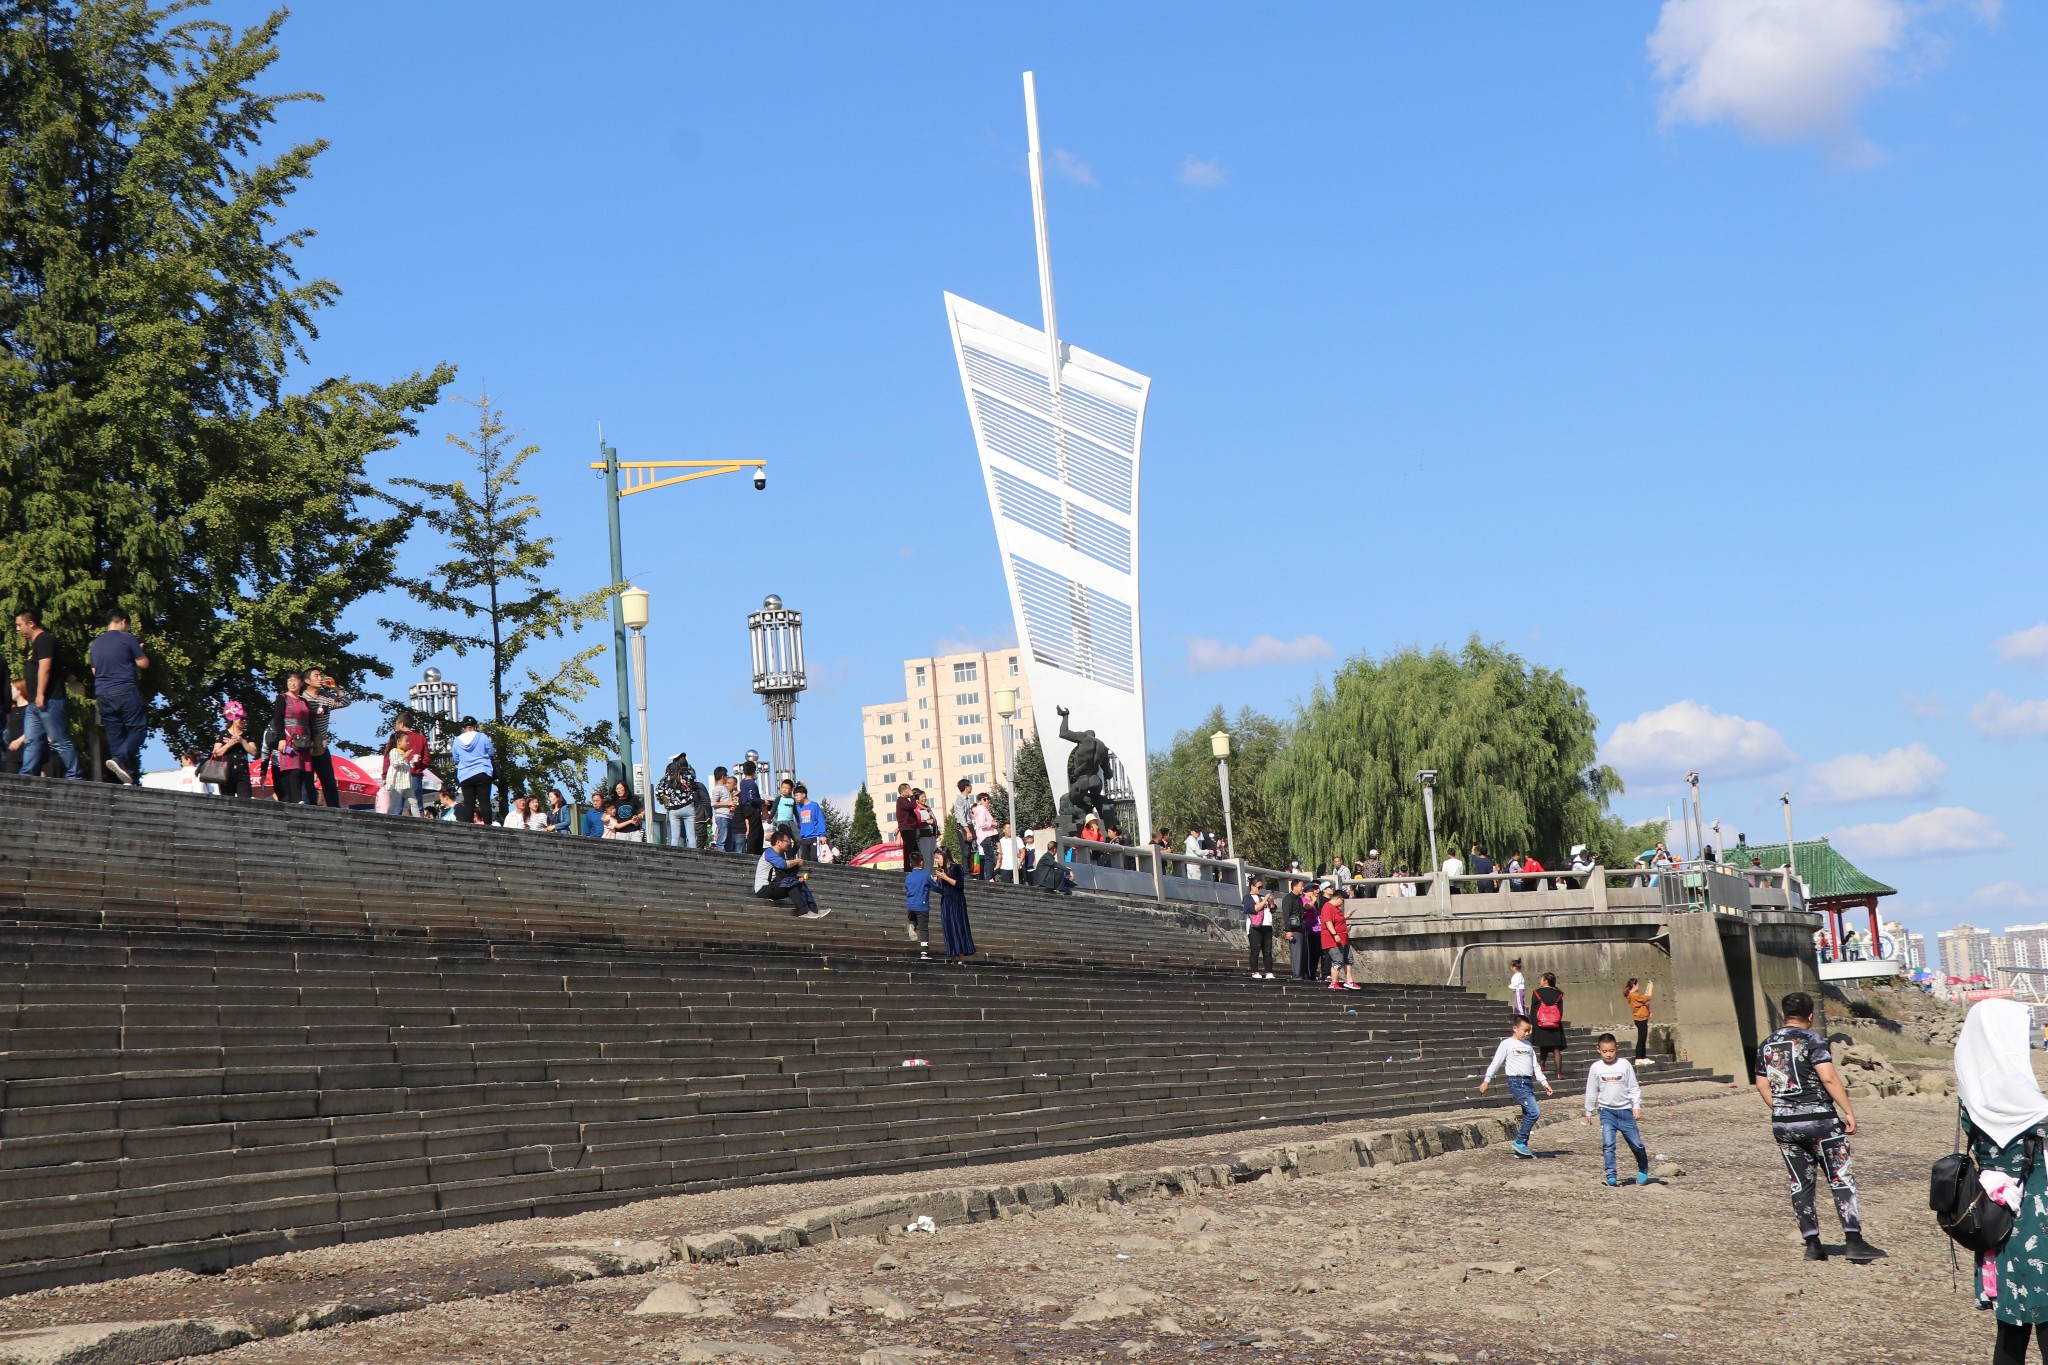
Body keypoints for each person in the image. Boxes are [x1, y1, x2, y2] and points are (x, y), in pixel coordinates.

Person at [1754, 990, 1881, 1262]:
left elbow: (1762, 1084)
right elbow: (1828, 1078)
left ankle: (1812, 1244)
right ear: (1810, 1016)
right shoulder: (1812, 1040)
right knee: (1841, 1177)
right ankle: (1854, 1241)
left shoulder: (1766, 1044)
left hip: (1784, 1125)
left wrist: (1781, 1109)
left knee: (1800, 1183)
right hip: (1821, 1121)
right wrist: (1848, 1111)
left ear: (1784, 1015)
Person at [1956, 998, 2048, 1362]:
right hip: (2037, 1218)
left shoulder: (1972, 1094)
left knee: (2010, 1327)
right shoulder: (2027, 1102)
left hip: (1996, 1218)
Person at [14, 609, 80, 780]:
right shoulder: (34, 645)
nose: (18, 629)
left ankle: (74, 775)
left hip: (49, 700)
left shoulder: (44, 640)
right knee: (32, 740)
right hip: (34, 704)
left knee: (58, 740)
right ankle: (27, 774)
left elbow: (45, 667)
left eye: (19, 625)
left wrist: (41, 694)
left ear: (31, 623)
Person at [88, 608, 149, 784]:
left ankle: (126, 774)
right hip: (125, 689)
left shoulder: (96, 643)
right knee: (138, 729)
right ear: (123, 622)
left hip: (102, 693)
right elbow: (143, 663)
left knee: (115, 734)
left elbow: (94, 671)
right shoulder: (127, 638)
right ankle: (120, 758)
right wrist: (139, 650)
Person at [1479, 1015, 1551, 1159]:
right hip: (1516, 1082)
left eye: (1529, 1030)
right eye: (1525, 1030)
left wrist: (1544, 1082)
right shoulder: (1507, 1044)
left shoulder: (1528, 1046)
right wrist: (1487, 1080)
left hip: (1528, 1082)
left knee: (1527, 1114)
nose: (1527, 1033)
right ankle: (1519, 1142)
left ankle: (1521, 1148)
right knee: (1534, 1112)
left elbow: (1535, 1066)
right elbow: (1496, 1063)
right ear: (1515, 1028)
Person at [1584, 1032, 1650, 1187]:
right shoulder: (1596, 1068)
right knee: (1608, 1144)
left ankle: (1643, 1168)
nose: (1608, 1054)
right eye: (1605, 1051)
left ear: (1617, 1048)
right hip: (1607, 1112)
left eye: (1611, 1051)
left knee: (1636, 1144)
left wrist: (1636, 1106)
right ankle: (1611, 1175)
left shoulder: (1624, 1065)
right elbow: (1591, 1090)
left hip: (1626, 1111)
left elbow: (1633, 1087)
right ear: (1598, 1049)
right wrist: (1589, 1110)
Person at [301, 668, 350, 808]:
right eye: (316, 676)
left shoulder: (326, 696)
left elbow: (345, 702)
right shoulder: (302, 697)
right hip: (306, 745)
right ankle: (309, 806)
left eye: (320, 675)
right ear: (307, 681)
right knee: (307, 778)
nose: (320, 678)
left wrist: (335, 687)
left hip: (321, 745)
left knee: (328, 779)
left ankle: (334, 808)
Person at [754, 828, 829, 918]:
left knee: (798, 882)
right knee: (790, 883)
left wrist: (798, 878)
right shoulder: (770, 853)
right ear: (778, 842)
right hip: (763, 889)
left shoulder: (781, 854)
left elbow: (782, 873)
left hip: (774, 885)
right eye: (786, 841)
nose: (789, 843)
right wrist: (797, 861)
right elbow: (782, 864)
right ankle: (803, 912)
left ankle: (814, 911)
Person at [269, 672, 315, 804]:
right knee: (293, 768)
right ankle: (296, 800)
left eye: (295, 680)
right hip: (290, 737)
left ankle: (301, 798)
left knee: (303, 769)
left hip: (304, 739)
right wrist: (281, 738)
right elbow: (278, 719)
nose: (292, 683)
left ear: (301, 683)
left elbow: (309, 722)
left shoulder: (304, 701)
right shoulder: (282, 698)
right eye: (290, 681)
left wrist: (311, 742)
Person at [931, 844, 976, 962]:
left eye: (938, 857)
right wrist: (934, 884)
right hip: (946, 902)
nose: (937, 860)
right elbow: (942, 890)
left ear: (944, 855)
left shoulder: (956, 868)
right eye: (936, 858)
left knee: (958, 926)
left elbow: (959, 885)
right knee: (949, 928)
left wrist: (945, 877)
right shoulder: (942, 872)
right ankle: (952, 956)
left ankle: (960, 955)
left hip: (957, 901)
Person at [208, 700, 256, 799]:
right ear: (234, 718)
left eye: (246, 719)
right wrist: (229, 744)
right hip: (226, 771)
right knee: (227, 800)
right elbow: (216, 752)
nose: (244, 721)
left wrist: (243, 741)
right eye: (242, 718)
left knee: (245, 801)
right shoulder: (223, 734)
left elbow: (254, 752)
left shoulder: (247, 735)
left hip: (242, 772)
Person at [450, 717, 494, 824]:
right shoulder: (482, 737)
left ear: (463, 728)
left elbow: (456, 758)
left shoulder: (457, 741)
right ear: (475, 727)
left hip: (465, 774)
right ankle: (488, 826)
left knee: (469, 803)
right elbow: (491, 752)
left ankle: (468, 827)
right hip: (482, 771)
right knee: (484, 801)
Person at [389, 712, 429, 816]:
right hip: (415, 776)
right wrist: (418, 766)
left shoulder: (394, 738)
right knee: (417, 805)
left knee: (398, 806)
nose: (408, 743)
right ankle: (421, 826)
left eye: (396, 724)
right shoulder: (421, 738)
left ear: (401, 724)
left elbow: (387, 760)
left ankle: (393, 827)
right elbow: (426, 759)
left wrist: (385, 775)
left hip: (398, 777)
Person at [656, 752, 699, 848]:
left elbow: (659, 790)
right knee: (691, 836)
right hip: (688, 806)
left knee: (675, 836)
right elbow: (696, 786)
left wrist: (663, 800)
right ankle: (695, 856)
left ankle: (674, 855)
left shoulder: (669, 776)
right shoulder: (689, 774)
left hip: (674, 808)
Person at [1320, 885, 1359, 990]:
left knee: (1348, 959)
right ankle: (1333, 982)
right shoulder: (1327, 907)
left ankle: (1349, 980)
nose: (1343, 903)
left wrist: (1347, 916)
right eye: (1343, 900)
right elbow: (1328, 922)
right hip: (1332, 939)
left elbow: (1338, 921)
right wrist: (1334, 934)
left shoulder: (1337, 909)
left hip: (1344, 938)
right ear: (1337, 898)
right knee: (1338, 960)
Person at [1530, 972, 1567, 1076]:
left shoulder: (1536, 992)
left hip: (1541, 1023)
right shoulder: (1558, 994)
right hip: (1555, 1024)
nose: (1539, 980)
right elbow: (1560, 1012)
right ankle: (1559, 1073)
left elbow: (1533, 1011)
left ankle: (1542, 1065)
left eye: (1541, 978)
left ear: (1545, 980)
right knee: (1556, 1048)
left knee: (1543, 1044)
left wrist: (1532, 1024)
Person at [382, 732, 422, 818]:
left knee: (414, 801)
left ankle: (419, 819)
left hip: (406, 784)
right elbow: (395, 763)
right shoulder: (394, 751)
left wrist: (413, 762)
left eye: (409, 741)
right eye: (406, 741)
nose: (408, 743)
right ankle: (387, 818)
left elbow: (405, 766)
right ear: (399, 742)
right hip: (397, 784)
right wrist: (404, 756)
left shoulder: (404, 752)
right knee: (395, 803)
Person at [1243, 877, 1277, 979]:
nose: (1260, 889)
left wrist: (1271, 902)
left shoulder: (1262, 897)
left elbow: (1272, 909)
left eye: (1262, 887)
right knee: (1255, 950)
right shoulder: (1248, 898)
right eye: (1259, 887)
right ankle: (1255, 971)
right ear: (1252, 886)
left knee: (1268, 951)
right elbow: (1254, 909)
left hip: (1267, 925)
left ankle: (1269, 972)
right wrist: (1265, 900)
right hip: (1255, 927)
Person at [903, 850, 933, 959]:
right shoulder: (926, 875)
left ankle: (911, 925)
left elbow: (907, 889)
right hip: (922, 905)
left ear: (910, 864)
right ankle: (924, 952)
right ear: (922, 862)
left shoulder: (908, 877)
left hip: (911, 905)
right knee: (924, 929)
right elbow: (935, 886)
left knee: (913, 919)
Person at [1624, 978, 1655, 1063]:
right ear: (1634, 985)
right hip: (1640, 1019)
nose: (1638, 986)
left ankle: (1643, 1057)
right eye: (1637, 984)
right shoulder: (1634, 995)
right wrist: (1651, 988)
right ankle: (1638, 1058)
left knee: (1643, 1038)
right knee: (1641, 1039)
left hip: (1642, 1018)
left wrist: (1648, 988)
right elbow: (1648, 998)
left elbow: (1644, 997)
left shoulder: (1634, 995)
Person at [971, 793, 1000, 881]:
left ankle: (989, 877)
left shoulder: (983, 809)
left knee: (989, 857)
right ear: (980, 801)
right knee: (990, 858)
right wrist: (993, 823)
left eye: (988, 799)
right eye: (984, 799)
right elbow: (982, 824)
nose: (987, 801)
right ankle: (989, 877)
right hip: (985, 836)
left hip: (985, 836)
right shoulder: (982, 809)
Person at [793, 783, 825, 860]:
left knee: (814, 858)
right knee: (805, 860)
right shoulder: (797, 808)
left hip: (814, 837)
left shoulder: (814, 805)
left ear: (803, 794)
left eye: (797, 795)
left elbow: (821, 820)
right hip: (803, 838)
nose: (795, 797)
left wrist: (823, 835)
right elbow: (796, 824)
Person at [737, 761, 764, 855]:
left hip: (745, 808)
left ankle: (755, 852)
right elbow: (751, 798)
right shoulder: (752, 784)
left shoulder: (742, 782)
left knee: (757, 832)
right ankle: (752, 853)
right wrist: (763, 801)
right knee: (755, 833)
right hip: (752, 809)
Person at [712, 767, 737, 851]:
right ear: (723, 776)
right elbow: (713, 803)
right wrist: (728, 803)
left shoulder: (725, 788)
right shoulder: (717, 788)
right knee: (722, 839)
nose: (727, 777)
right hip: (722, 816)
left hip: (729, 816)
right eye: (726, 775)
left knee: (729, 841)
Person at [952, 779, 976, 859]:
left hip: (969, 825)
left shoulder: (966, 799)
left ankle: (969, 870)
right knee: (965, 851)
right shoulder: (960, 800)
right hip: (964, 827)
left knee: (969, 850)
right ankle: (966, 871)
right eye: (970, 785)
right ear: (966, 787)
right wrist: (968, 831)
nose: (971, 787)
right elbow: (961, 817)